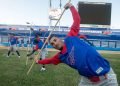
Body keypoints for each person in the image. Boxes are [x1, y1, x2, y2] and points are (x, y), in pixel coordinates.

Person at [34, 3, 118, 86]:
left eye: (55, 40)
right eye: (52, 44)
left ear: (59, 39)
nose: (54, 43)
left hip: (106, 77)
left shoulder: (70, 37)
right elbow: (50, 60)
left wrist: (71, 6)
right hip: (87, 81)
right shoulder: (60, 57)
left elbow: (77, 19)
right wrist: (38, 61)